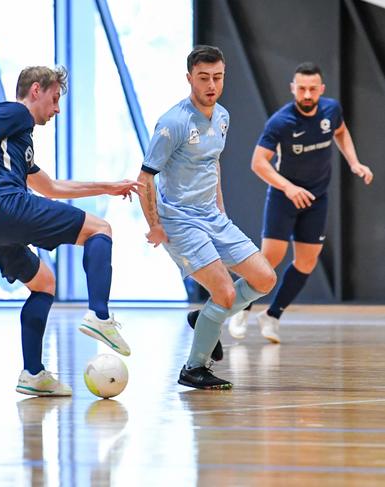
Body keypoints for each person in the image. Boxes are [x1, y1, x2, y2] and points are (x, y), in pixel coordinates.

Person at [0, 65, 141, 397]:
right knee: (99, 229)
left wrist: (107, 186)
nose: (57, 109)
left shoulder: (17, 143)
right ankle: (100, 315)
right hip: (4, 204)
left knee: (44, 283)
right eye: (55, 98)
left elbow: (52, 187)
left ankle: (33, 374)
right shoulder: (15, 113)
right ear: (35, 90)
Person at [136, 45, 277, 390]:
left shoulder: (223, 116)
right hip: (178, 220)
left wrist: (221, 210)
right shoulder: (173, 123)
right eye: (203, 78)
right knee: (226, 294)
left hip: (212, 216)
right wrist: (154, 224)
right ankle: (193, 368)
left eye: (217, 77)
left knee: (265, 279)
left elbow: (212, 165)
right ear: (189, 79)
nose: (211, 85)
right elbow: (145, 178)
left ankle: (204, 319)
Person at [227, 62, 373, 343]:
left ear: (321, 89)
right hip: (284, 196)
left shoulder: (331, 110)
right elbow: (258, 163)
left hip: (317, 198)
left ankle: (272, 316)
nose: (307, 94)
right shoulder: (281, 122)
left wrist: (354, 162)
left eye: (312, 89)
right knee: (269, 260)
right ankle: (242, 309)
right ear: (293, 88)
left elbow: (341, 132)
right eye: (302, 88)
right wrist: (289, 187)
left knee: (306, 262)